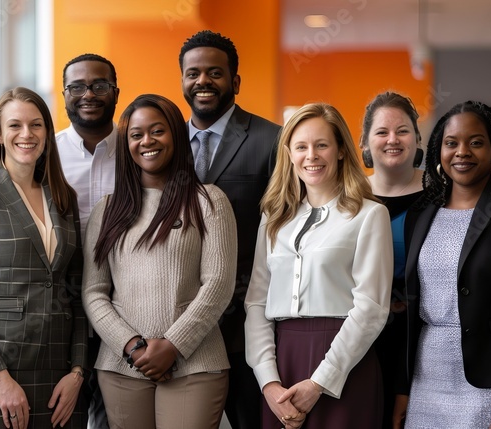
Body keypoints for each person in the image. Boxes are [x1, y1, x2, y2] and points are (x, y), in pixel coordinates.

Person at [83, 94, 237, 429]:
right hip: (122, 365)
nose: (146, 142)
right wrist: (133, 346)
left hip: (195, 363)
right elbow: (94, 293)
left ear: (176, 136)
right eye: (136, 135)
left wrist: (173, 346)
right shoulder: (107, 210)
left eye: (157, 131)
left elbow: (218, 285)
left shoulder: (209, 201)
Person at [394, 100, 491, 429]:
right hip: (425, 382)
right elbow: (410, 315)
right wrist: (402, 389)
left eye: (475, 142)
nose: (462, 152)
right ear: (439, 150)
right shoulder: (422, 213)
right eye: (451, 143)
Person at [245, 103, 392, 429]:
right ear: (289, 153)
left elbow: (371, 309)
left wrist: (320, 382)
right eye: (301, 146)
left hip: (345, 364)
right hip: (282, 363)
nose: (311, 155)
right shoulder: (273, 218)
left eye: (321, 145)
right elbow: (256, 300)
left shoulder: (369, 215)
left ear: (340, 150)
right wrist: (268, 382)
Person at [0, 87, 87, 429]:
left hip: (59, 380)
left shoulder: (64, 198)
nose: (27, 134)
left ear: (47, 134)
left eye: (36, 125)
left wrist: (78, 372)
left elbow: (77, 292)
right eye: (15, 125)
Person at [178, 30, 281, 429]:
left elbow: (282, 227)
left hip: (245, 320)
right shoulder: (165, 143)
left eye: (215, 73)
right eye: (193, 73)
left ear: (235, 82)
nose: (202, 81)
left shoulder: (271, 139)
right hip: (178, 318)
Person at [56, 53, 120, 429]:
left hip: (126, 311)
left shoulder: (136, 150)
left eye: (99, 85)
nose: (88, 94)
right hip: (61, 313)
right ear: (65, 94)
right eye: (77, 86)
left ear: (115, 92)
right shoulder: (45, 152)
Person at [359, 91, 425, 428]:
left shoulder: (441, 195)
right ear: (366, 143)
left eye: (402, 130)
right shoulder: (350, 196)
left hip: (424, 336)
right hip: (361, 336)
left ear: (417, 138)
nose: (392, 139)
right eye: (381, 132)